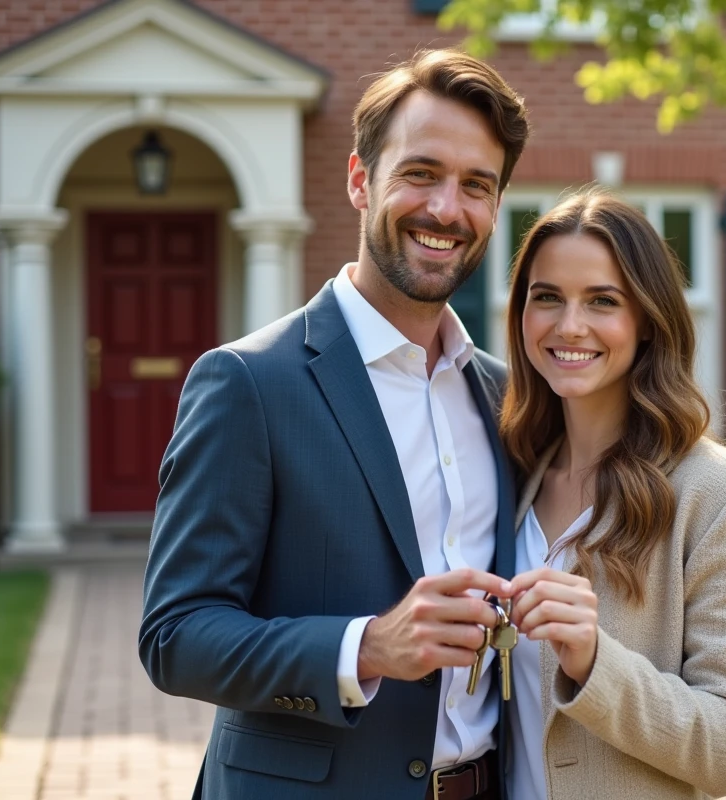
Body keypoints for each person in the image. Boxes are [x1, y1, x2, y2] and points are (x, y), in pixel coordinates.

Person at [138, 49, 530, 800]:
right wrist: (367, 647)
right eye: (420, 173)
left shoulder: (504, 398)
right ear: (360, 180)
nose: (447, 210)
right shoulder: (248, 382)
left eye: (476, 186)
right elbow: (175, 635)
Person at [499, 188, 726, 800]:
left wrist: (594, 661)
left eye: (602, 301)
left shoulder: (718, 496)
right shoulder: (511, 470)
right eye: (546, 297)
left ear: (648, 322)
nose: (568, 325)